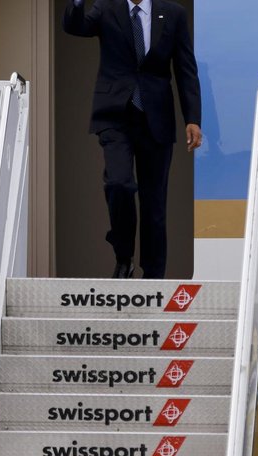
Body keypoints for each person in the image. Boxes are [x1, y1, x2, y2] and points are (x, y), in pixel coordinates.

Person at [64, 0, 203, 279]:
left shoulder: (173, 13)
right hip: (115, 116)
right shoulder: (106, 8)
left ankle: (153, 276)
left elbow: (186, 69)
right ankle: (123, 257)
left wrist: (193, 118)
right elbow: (75, 27)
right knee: (119, 184)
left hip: (157, 118)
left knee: (154, 204)